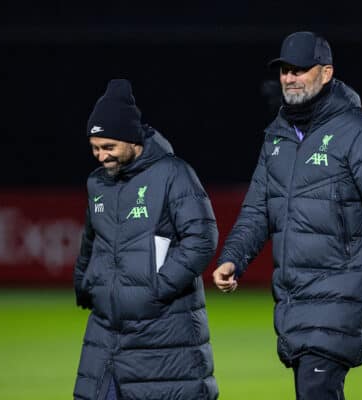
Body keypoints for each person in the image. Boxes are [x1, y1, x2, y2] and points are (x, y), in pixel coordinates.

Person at [213, 31, 362, 399]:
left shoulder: (360, 133)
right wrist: (233, 258)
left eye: (299, 70)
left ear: (326, 73)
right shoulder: (277, 136)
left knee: (316, 388)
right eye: (285, 70)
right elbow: (257, 208)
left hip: (340, 296)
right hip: (293, 301)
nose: (289, 78)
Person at [73, 79, 219, 400]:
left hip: (162, 333)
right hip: (105, 337)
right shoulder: (97, 184)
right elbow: (91, 239)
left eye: (109, 147)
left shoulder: (173, 173)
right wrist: (85, 282)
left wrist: (157, 289)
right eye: (95, 148)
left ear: (133, 140)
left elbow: (202, 237)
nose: (101, 156)